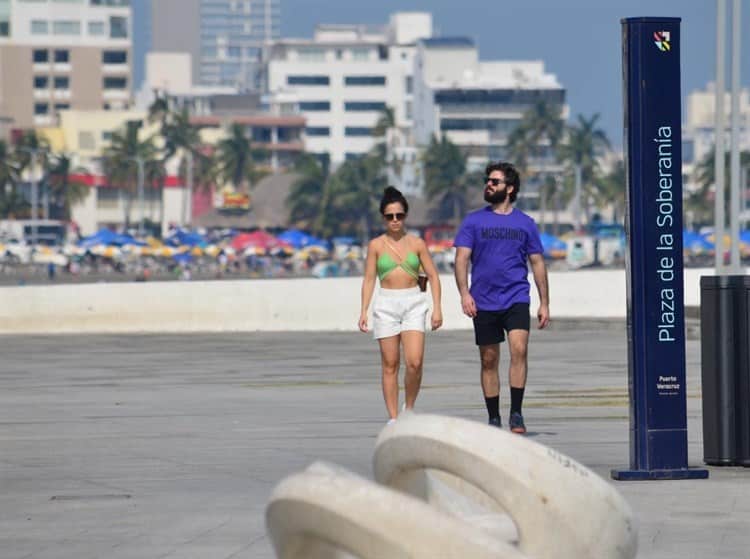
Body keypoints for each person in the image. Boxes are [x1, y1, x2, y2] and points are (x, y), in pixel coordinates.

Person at [454, 162, 550, 434]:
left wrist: (544, 302)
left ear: (509, 188)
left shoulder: (526, 224)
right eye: (487, 180)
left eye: (494, 181)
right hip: (482, 300)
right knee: (489, 359)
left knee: (519, 350)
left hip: (516, 297)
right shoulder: (473, 221)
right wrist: (464, 294)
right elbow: (461, 260)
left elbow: (538, 263)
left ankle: (516, 413)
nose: (489, 184)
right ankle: (494, 417)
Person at [359, 186, 443, 424]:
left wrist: (437, 308)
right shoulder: (376, 246)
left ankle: (410, 407)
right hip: (386, 303)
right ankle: (394, 417)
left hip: (414, 302)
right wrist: (363, 310)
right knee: (390, 363)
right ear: (383, 218)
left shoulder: (417, 244)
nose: (395, 220)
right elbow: (368, 280)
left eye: (399, 215)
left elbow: (434, 277)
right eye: (389, 216)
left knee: (415, 362)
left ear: (405, 216)